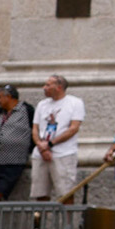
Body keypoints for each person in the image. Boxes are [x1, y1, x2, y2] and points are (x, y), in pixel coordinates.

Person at [30, 74, 86, 203]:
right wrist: (41, 146)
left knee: (65, 193)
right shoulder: (42, 104)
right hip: (40, 154)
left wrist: (50, 144)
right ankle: (41, 222)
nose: (44, 88)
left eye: (48, 85)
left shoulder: (75, 103)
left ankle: (67, 223)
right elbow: (35, 128)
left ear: (59, 87)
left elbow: (73, 128)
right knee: (40, 194)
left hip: (63, 153)